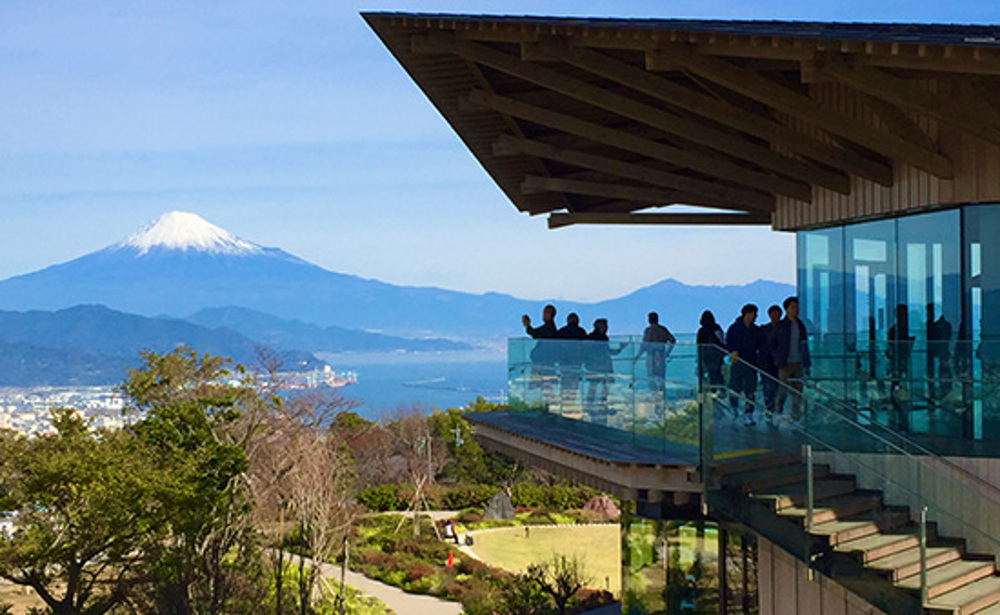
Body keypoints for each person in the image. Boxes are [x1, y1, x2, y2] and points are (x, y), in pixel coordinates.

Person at [771, 296, 810, 426]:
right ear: (786, 310)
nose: (795, 310)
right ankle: (778, 412)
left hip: (798, 362)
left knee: (798, 391)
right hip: (784, 363)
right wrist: (778, 357)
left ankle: (795, 416)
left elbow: (804, 345)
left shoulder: (800, 325)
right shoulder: (781, 326)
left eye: (797, 308)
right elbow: (772, 343)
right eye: (792, 307)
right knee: (783, 388)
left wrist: (806, 363)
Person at [726, 304, 760, 426]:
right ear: (747, 314)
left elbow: (759, 346)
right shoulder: (734, 328)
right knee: (735, 387)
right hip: (738, 362)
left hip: (751, 363)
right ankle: (734, 408)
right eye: (753, 314)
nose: (755, 316)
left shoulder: (755, 330)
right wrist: (733, 352)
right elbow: (729, 343)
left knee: (750, 390)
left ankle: (748, 412)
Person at [584, 318, 625, 416]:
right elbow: (609, 352)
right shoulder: (601, 338)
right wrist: (621, 348)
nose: (606, 328)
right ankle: (600, 404)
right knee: (602, 386)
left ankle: (591, 405)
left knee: (594, 386)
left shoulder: (592, 337)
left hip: (595, 366)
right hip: (601, 365)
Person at [521, 305, 559, 406]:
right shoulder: (550, 328)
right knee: (545, 386)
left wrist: (527, 325)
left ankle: (548, 406)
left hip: (544, 363)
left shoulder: (549, 328)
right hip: (545, 363)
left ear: (549, 314)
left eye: (545, 313)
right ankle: (547, 405)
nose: (543, 315)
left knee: (546, 386)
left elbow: (535, 333)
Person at [636, 312, 677, 394]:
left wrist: (636, 357)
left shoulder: (648, 330)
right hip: (661, 356)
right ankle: (661, 395)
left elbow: (644, 346)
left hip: (651, 356)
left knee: (651, 377)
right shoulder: (663, 330)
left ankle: (654, 395)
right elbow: (672, 340)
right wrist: (667, 352)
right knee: (661, 378)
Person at [557, 313, 588, 409]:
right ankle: (570, 405)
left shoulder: (562, 332)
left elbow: (557, 348)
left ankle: (564, 404)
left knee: (565, 385)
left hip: (564, 363)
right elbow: (584, 347)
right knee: (573, 386)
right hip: (576, 363)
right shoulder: (581, 332)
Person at [758, 305, 782, 417]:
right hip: (766, 363)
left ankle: (775, 409)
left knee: (777, 388)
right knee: (768, 388)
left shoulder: (784, 329)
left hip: (779, 363)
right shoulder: (763, 330)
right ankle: (770, 409)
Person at [926, 303, 953, 404]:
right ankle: (939, 395)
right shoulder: (940, 325)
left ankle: (940, 395)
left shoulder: (939, 326)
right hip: (938, 354)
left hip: (940, 354)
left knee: (941, 375)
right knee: (940, 375)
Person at [696, 310, 726, 389]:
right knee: (716, 372)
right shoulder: (716, 328)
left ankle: (713, 389)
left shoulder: (701, 331)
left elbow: (699, 345)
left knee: (710, 373)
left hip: (706, 356)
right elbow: (721, 341)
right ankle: (719, 389)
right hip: (716, 355)